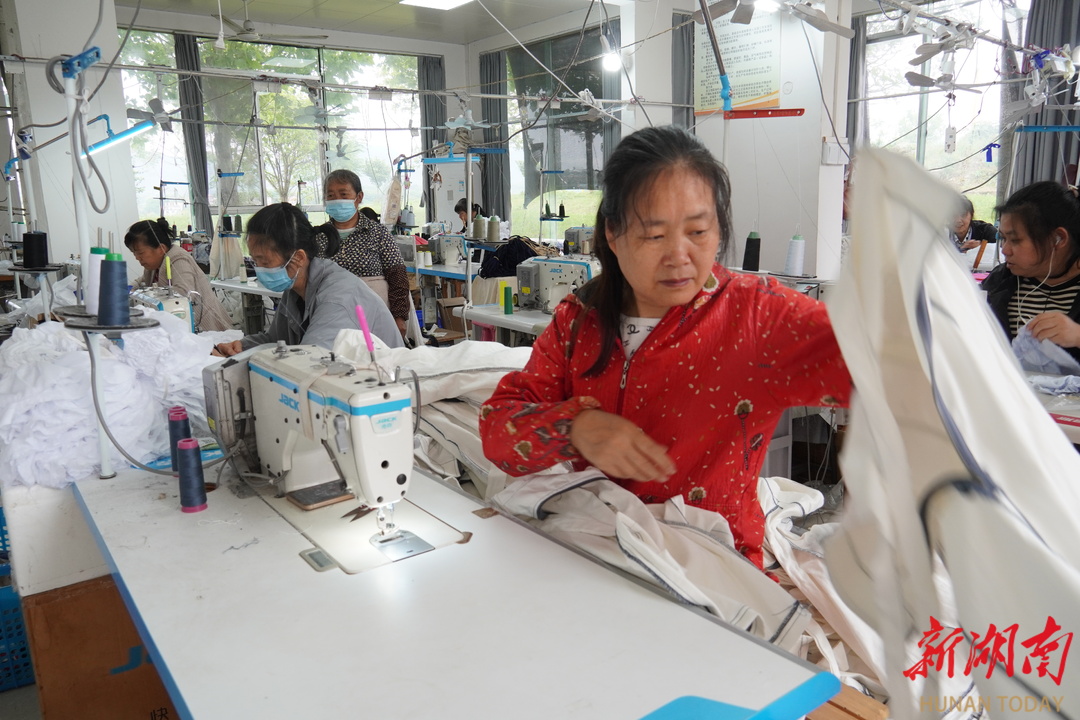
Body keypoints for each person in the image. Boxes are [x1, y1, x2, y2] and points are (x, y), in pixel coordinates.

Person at [479, 126, 850, 569]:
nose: (679, 255)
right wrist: (574, 428)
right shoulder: (579, 322)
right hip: (604, 557)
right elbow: (498, 432)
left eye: (698, 231)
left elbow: (880, 368)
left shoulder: (757, 317)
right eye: (654, 236)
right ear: (613, 234)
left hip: (713, 570)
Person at [212, 203, 402, 357]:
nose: (259, 269)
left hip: (386, 383)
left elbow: (311, 361)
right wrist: (241, 347)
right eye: (255, 261)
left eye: (265, 261)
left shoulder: (337, 299)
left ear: (298, 258)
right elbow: (276, 340)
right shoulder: (295, 290)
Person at [981, 181, 1080, 363]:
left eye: (1015, 240)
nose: (1005, 250)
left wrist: (1077, 336)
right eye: (1003, 238)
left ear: (1058, 239)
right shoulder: (1000, 281)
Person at [318, 169, 410, 338]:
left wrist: (399, 317)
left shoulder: (378, 233)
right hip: (331, 317)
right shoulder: (319, 236)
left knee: (374, 354)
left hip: (375, 316)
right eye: (330, 195)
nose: (336, 199)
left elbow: (397, 277)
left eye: (343, 194)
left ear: (359, 197)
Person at [124, 218, 233, 332]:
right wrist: (125, 290)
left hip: (207, 328)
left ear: (161, 249)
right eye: (134, 253)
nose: (137, 258)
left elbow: (184, 293)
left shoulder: (178, 259)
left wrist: (148, 294)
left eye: (140, 253)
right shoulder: (153, 266)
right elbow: (141, 282)